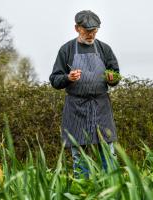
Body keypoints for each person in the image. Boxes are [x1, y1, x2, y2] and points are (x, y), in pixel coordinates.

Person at [49, 10, 120, 178]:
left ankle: (112, 187)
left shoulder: (104, 49)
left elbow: (115, 74)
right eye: (87, 31)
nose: (91, 34)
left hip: (101, 106)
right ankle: (83, 188)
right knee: (79, 155)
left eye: (94, 31)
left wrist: (112, 78)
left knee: (108, 152)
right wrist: (67, 78)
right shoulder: (66, 50)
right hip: (76, 108)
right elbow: (54, 79)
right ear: (77, 28)